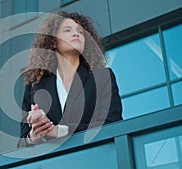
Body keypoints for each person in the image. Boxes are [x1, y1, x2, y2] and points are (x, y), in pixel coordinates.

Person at [17, 11, 122, 147]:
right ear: (53, 41)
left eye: (81, 32)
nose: (76, 34)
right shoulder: (35, 85)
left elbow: (112, 123)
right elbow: (21, 143)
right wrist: (35, 135)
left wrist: (61, 131)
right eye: (68, 30)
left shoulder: (102, 77)